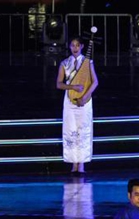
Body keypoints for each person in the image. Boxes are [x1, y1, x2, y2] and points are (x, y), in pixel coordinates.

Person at [56, 36, 99, 173]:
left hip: (85, 102)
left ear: (81, 47)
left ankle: (82, 164)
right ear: (69, 47)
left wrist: (85, 98)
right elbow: (59, 84)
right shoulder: (65, 63)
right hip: (69, 101)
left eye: (77, 45)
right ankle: (73, 163)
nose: (75, 48)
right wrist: (72, 88)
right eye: (72, 45)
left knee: (83, 131)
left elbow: (95, 82)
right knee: (71, 131)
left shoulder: (87, 62)